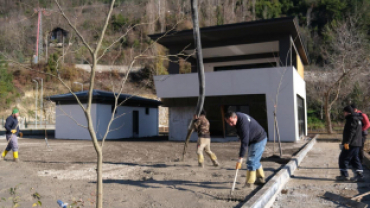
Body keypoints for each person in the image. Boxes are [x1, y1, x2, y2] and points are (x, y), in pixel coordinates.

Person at [225, 111, 267, 188]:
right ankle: (261, 179)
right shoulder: (237, 117)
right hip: (254, 139)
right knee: (255, 160)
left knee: (251, 161)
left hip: (259, 139)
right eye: (228, 123)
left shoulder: (242, 123)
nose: (231, 124)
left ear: (236, 117)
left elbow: (244, 143)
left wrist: (240, 158)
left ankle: (249, 184)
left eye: (231, 122)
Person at [337, 106, 364, 182]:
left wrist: (347, 142)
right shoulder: (357, 119)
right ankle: (360, 175)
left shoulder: (352, 119)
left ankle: (344, 175)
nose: (344, 114)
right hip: (356, 143)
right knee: (355, 159)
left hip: (351, 144)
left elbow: (351, 132)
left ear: (347, 112)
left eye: (344, 112)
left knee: (343, 158)